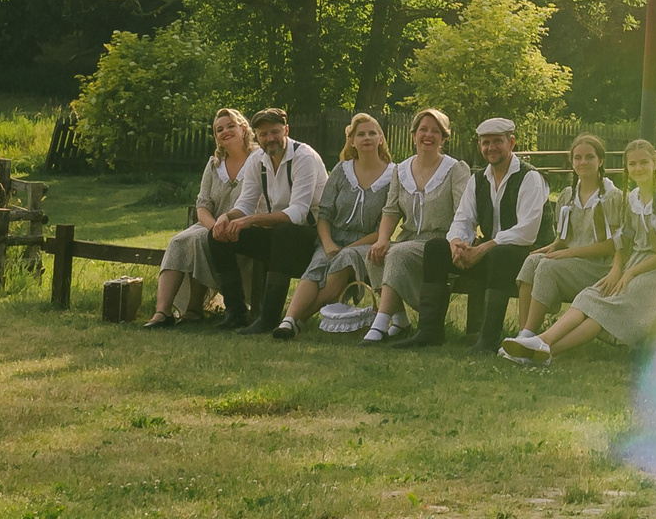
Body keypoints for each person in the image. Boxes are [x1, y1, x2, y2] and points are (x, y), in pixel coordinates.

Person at [503, 138, 656, 365]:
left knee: (604, 307)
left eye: (643, 163)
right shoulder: (632, 199)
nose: (638, 168)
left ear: (655, 163)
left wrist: (628, 273)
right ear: (626, 167)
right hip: (632, 263)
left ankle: (545, 349)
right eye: (633, 164)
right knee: (590, 296)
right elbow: (624, 242)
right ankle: (537, 343)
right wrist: (617, 268)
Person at [415, 115, 549, 350]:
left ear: (512, 143)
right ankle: (429, 332)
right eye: (485, 143)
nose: (491, 148)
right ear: (480, 146)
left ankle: (487, 338)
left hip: (530, 258)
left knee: (500, 254)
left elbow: (527, 232)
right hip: (493, 258)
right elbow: (463, 219)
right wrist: (457, 243)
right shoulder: (478, 179)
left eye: (497, 141)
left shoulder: (530, 177)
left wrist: (484, 247)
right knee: (436, 248)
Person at [203, 108, 328, 334]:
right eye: (263, 134)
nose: (269, 139)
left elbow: (298, 213)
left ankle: (268, 318)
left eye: (275, 132)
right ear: (257, 136)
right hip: (281, 238)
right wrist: (226, 217)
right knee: (217, 235)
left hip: (313, 239)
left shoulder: (304, 157)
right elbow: (245, 203)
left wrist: (250, 221)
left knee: (283, 232)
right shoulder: (257, 160)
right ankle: (235, 311)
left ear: (286, 130)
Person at [276, 112, 394, 338]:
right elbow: (325, 213)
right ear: (352, 141)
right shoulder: (342, 170)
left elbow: (383, 228)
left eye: (372, 133)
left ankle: (299, 319)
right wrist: (328, 243)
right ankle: (288, 320)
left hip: (367, 241)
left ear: (381, 138)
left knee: (344, 258)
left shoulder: (393, 175)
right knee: (318, 264)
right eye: (360, 134)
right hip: (334, 237)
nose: (366, 138)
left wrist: (349, 247)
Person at [366, 109, 474, 345]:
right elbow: (391, 210)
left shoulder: (456, 169)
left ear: (444, 138)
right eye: (423, 129)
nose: (429, 135)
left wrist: (459, 243)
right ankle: (400, 320)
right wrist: (382, 238)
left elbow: (464, 213)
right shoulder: (400, 169)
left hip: (440, 243)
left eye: (436, 131)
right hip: (408, 239)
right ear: (413, 134)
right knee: (375, 255)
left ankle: (380, 324)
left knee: (397, 253)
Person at [144, 108, 254, 328]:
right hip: (210, 224)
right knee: (178, 241)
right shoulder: (214, 164)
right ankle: (162, 312)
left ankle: (194, 308)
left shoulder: (258, 159)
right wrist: (214, 227)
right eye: (219, 130)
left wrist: (225, 226)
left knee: (199, 241)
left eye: (230, 126)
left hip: (244, 225)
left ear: (243, 128)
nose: (225, 132)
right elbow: (202, 205)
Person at [511, 133, 623, 341]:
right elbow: (564, 238)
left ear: (601, 161)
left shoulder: (611, 196)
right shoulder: (567, 195)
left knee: (548, 267)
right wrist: (549, 249)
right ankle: (523, 334)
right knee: (532, 262)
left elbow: (612, 246)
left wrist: (567, 254)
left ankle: (530, 337)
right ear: (572, 162)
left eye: (589, 157)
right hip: (573, 263)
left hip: (599, 267)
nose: (583, 162)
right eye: (577, 157)